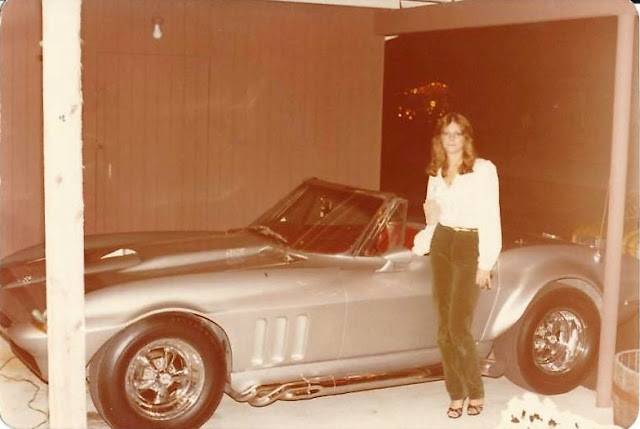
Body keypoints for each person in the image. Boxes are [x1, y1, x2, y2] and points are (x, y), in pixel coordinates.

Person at [420, 112, 502, 419]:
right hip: (442, 242)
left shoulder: (483, 170)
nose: (452, 139)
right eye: (446, 134)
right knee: (443, 330)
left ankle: (476, 391)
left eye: (457, 134)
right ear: (439, 139)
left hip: (470, 245)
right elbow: (433, 217)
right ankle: (456, 393)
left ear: (466, 138)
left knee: (458, 326)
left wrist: (486, 262)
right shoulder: (436, 172)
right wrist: (427, 227)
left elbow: (491, 216)